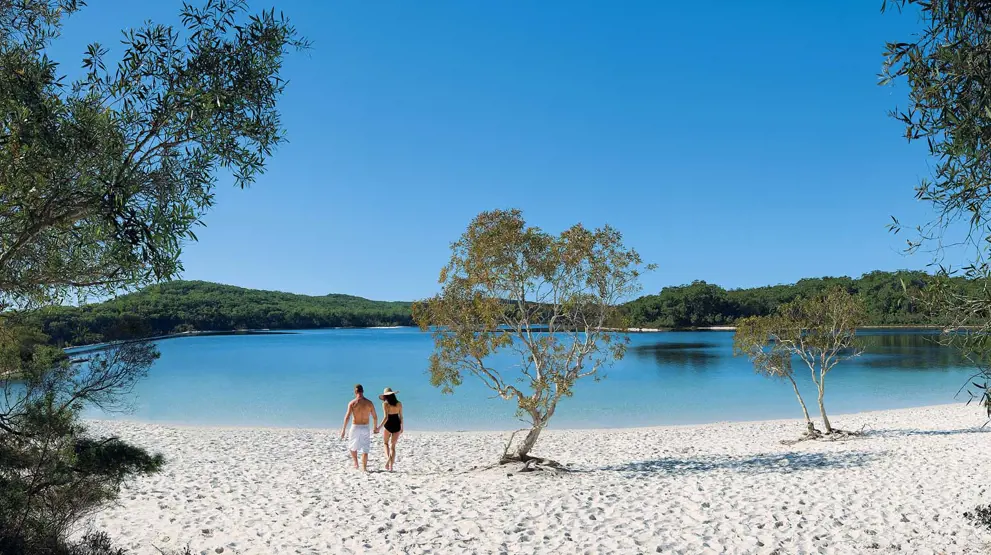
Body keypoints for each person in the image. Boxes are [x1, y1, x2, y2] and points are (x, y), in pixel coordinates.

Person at [340, 384, 378, 471]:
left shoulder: (352, 403)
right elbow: (375, 417)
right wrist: (375, 428)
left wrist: (343, 430)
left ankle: (356, 463)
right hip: (365, 427)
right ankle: (364, 468)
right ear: (363, 391)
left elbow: (347, 417)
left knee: (352, 446)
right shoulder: (369, 403)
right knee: (365, 448)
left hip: (355, 426)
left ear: (355, 392)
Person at [374, 387, 403, 471]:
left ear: (385, 396)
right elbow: (401, 417)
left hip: (388, 425)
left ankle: (388, 459)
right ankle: (391, 467)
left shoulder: (385, 404)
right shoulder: (399, 404)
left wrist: (378, 428)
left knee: (385, 443)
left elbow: (386, 417)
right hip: (397, 425)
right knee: (393, 446)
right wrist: (402, 427)